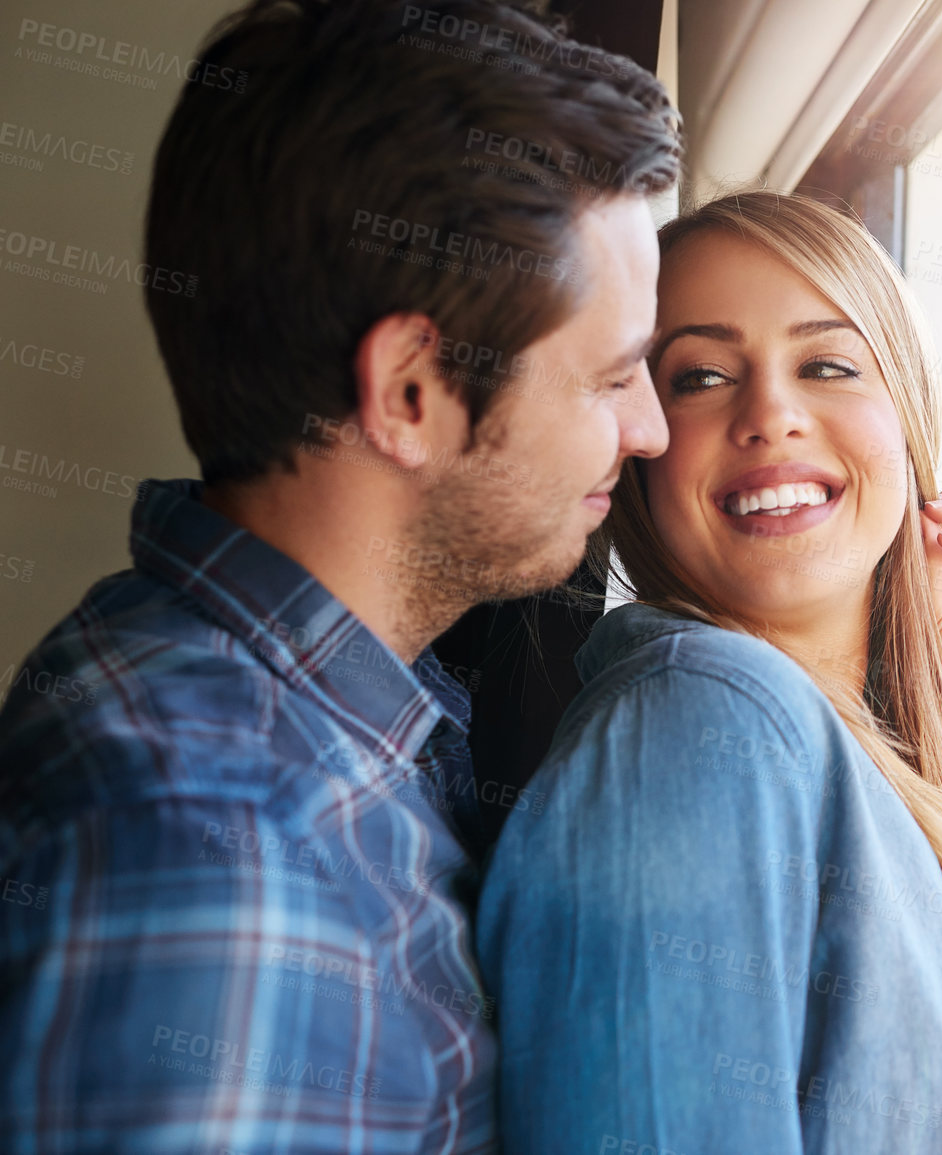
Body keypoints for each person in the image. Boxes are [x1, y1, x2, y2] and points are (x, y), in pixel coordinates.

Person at [0, 1, 677, 1150]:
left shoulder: (246, 696)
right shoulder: (230, 865)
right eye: (611, 379)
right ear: (411, 393)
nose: (653, 430)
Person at [479, 191, 942, 1153]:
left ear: (906, 418)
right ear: (644, 451)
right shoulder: (698, 721)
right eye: (702, 377)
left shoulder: (865, 774)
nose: (770, 413)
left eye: (826, 364)